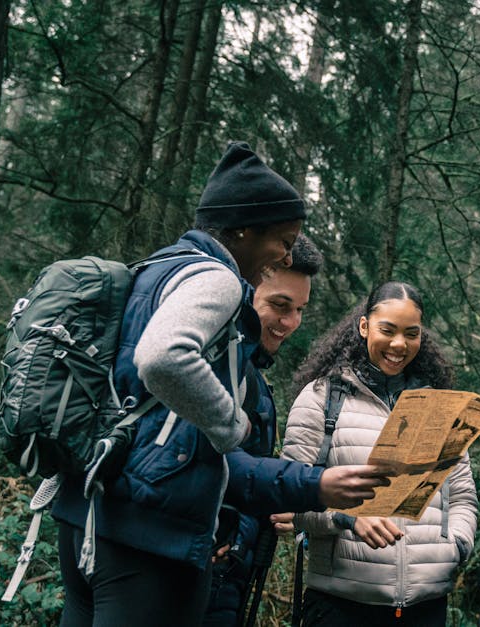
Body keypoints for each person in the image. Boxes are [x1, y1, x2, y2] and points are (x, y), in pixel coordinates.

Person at [51, 142, 388, 627]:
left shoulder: (156, 269)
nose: (285, 254)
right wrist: (230, 423)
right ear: (244, 229)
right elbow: (162, 357)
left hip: (89, 516)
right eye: (284, 239)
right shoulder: (219, 278)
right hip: (149, 536)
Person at [205, 234, 379, 625]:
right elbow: (210, 465)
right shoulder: (212, 371)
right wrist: (313, 487)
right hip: (196, 577)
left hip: (226, 574)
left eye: (299, 309)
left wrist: (244, 529)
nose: (290, 323)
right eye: (279, 306)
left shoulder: (251, 378)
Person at [282, 281, 478, 626]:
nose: (399, 344)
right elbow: (290, 497)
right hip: (340, 605)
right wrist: (347, 518)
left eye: (411, 333)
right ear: (364, 326)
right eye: (387, 330)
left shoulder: (438, 407)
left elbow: (462, 496)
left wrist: (457, 546)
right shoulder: (322, 398)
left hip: (425, 606)